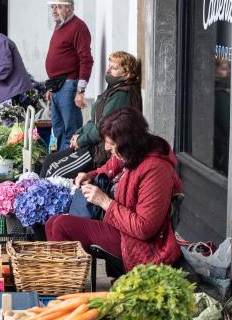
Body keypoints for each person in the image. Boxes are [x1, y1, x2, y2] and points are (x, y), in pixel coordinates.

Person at [45, 108, 182, 271]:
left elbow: (144, 228)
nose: (107, 148)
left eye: (111, 145)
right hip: (117, 226)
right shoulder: (131, 153)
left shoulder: (155, 170)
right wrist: (89, 175)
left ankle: (66, 288)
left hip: (138, 242)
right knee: (52, 222)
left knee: (61, 225)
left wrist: (104, 201)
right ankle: (62, 282)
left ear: (127, 143)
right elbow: (108, 168)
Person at [41, 51, 142, 178]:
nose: (109, 70)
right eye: (109, 65)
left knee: (53, 170)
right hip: (91, 144)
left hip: (99, 151)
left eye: (114, 68)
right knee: (50, 159)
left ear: (127, 74)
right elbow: (93, 120)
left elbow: (103, 128)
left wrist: (81, 140)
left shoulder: (121, 95)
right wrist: (78, 135)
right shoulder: (113, 89)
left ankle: (40, 196)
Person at [45, 0, 93, 148]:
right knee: (58, 129)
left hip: (68, 85)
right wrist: (50, 88)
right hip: (56, 86)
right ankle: (60, 164)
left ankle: (70, 167)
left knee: (70, 130)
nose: (54, 10)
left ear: (69, 8)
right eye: (52, 7)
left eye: (58, 7)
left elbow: (86, 59)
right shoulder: (59, 25)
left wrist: (80, 91)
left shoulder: (78, 27)